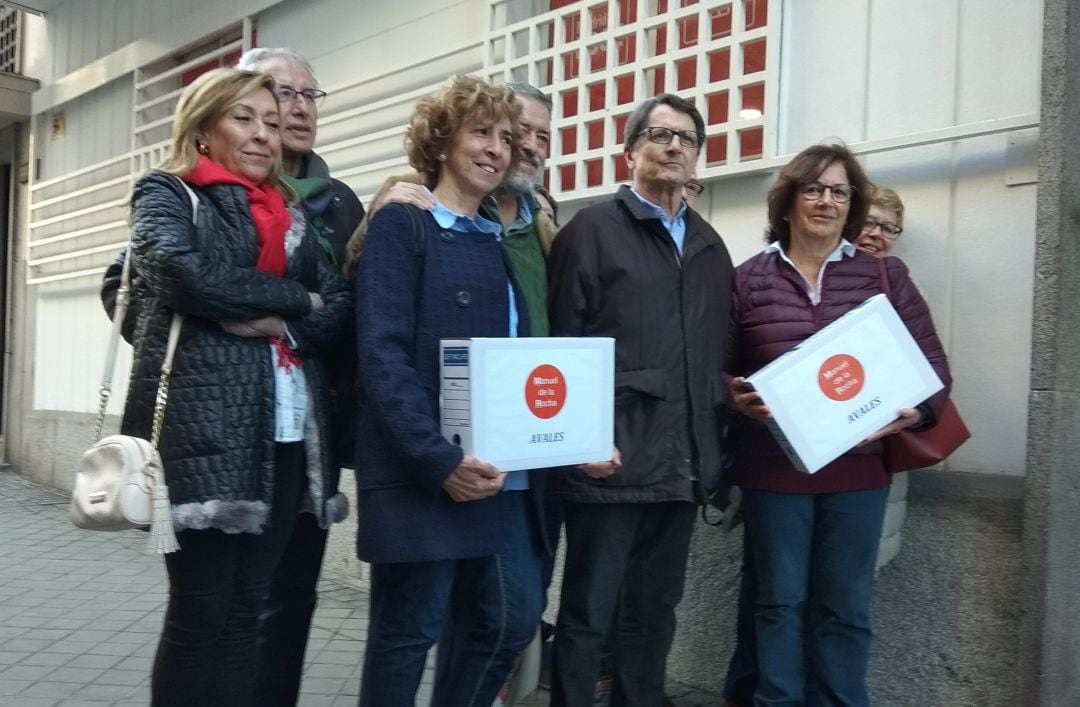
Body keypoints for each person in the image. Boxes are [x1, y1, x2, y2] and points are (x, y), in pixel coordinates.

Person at [106, 67, 351, 706]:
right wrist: (298, 297)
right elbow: (184, 275)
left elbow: (339, 306)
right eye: (245, 118)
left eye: (271, 124)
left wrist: (279, 318)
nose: (264, 135)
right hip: (204, 431)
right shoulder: (168, 193)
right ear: (204, 125)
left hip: (290, 436)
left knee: (246, 612)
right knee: (200, 613)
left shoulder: (291, 213)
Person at [352, 75, 557, 707]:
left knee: (501, 620)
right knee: (407, 633)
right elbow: (382, 356)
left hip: (485, 473)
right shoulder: (403, 224)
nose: (498, 148)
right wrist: (439, 461)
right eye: (481, 133)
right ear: (442, 141)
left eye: (505, 136)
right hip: (421, 473)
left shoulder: (493, 240)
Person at [725, 143, 950, 707]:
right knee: (778, 602)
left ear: (853, 204)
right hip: (775, 472)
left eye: (839, 191)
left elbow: (933, 372)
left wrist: (915, 411)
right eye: (814, 189)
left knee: (845, 607)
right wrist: (737, 398)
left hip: (858, 474)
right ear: (789, 199)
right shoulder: (749, 279)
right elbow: (715, 369)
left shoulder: (883, 275)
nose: (826, 201)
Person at [547, 93, 734, 707]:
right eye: (659, 135)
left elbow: (715, 356)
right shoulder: (592, 231)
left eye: (686, 138)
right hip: (612, 457)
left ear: (698, 158)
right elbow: (562, 346)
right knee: (588, 613)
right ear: (630, 153)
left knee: (654, 614)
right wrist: (581, 439)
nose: (674, 145)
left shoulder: (710, 246)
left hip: (681, 466)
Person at [233, 47, 365, 706]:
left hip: (313, 436)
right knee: (225, 607)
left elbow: (350, 313)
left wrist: (281, 322)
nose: (298, 108)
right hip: (229, 427)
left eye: (310, 95)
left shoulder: (338, 202)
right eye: (282, 92)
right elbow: (131, 285)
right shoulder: (214, 186)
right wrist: (225, 324)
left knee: (290, 602)